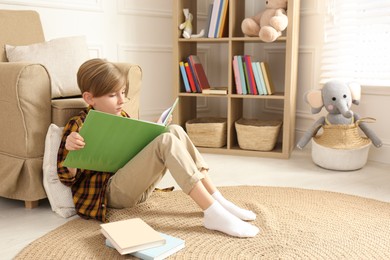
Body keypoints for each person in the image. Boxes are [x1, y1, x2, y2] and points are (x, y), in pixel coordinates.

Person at [57, 58, 259, 238]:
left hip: (137, 188)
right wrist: (71, 149)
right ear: (90, 98)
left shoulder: (123, 117)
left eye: (123, 93)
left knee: (174, 131)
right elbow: (67, 179)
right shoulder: (79, 125)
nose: (122, 100)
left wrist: (153, 130)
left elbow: (134, 155)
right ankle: (213, 212)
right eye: (112, 95)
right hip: (108, 193)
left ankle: (217, 199)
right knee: (166, 141)